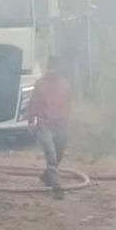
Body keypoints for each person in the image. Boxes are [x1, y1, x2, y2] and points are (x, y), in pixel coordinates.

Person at [27, 56, 72, 199]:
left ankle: (48, 175)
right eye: (52, 67)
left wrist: (67, 119)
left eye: (56, 67)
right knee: (51, 155)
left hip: (61, 124)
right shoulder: (40, 84)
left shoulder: (65, 83)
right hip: (44, 124)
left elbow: (68, 102)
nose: (54, 70)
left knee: (59, 153)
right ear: (48, 68)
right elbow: (33, 103)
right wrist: (30, 122)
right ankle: (56, 187)